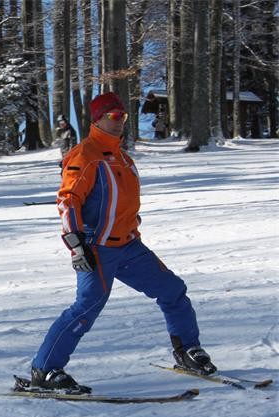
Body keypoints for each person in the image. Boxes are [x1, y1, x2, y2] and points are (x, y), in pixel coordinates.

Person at [23, 92, 217, 392]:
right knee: (87, 305)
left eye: (123, 116)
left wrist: (132, 227)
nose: (120, 122)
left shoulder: (123, 157)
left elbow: (123, 202)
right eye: (113, 116)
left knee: (173, 291)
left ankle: (187, 350)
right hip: (96, 247)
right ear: (97, 118)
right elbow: (68, 201)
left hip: (128, 246)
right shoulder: (84, 154)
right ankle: (44, 370)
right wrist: (76, 245)